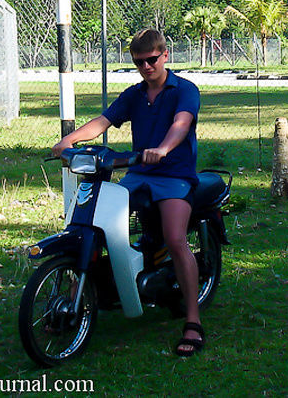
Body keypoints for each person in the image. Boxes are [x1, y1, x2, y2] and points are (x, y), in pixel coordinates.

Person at [51, 28, 205, 357]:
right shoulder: (135, 95)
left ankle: (193, 321)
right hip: (138, 174)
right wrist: (69, 140)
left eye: (152, 59)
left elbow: (181, 124)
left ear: (165, 55)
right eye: (140, 62)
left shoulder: (184, 90)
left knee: (176, 240)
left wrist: (163, 148)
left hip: (174, 176)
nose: (147, 66)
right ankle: (78, 299)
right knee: (96, 225)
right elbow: (104, 121)